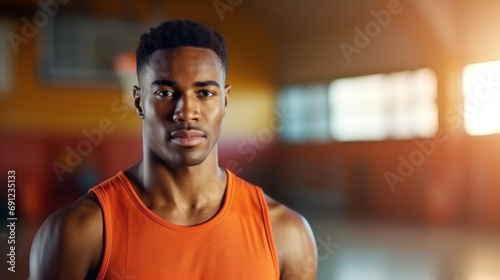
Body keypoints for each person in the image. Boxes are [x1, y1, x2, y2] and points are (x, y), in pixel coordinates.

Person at [29, 19, 317, 280]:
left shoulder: (286, 233)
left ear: (225, 101)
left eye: (205, 93)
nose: (186, 112)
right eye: (165, 93)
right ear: (139, 101)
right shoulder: (77, 232)